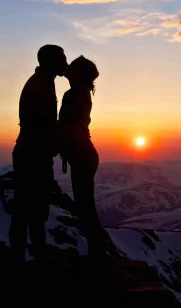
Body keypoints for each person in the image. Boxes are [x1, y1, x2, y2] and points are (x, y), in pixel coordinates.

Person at [9, 44, 67, 262]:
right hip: (33, 154)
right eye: (62, 58)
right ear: (51, 61)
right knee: (30, 209)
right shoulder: (41, 85)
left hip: (31, 152)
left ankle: (26, 259)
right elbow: (44, 124)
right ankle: (30, 261)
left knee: (29, 209)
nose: (65, 63)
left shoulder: (43, 82)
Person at [58, 56, 117, 261]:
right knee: (85, 206)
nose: (68, 69)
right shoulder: (81, 93)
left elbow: (68, 126)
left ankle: (97, 254)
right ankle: (97, 253)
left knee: (85, 208)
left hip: (81, 154)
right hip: (84, 154)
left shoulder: (73, 94)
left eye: (72, 67)